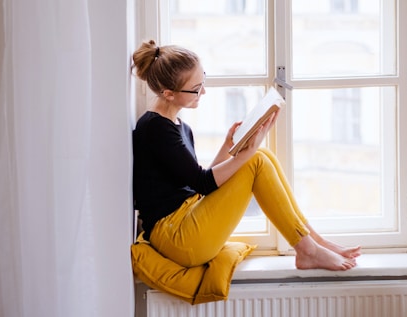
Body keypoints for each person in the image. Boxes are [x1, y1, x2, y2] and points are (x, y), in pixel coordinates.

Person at [131, 40, 360, 271]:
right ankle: (308, 250)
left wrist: (227, 145)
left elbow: (195, 184)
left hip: (184, 221)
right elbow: (203, 183)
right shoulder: (155, 128)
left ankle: (315, 242)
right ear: (169, 94)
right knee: (256, 160)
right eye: (196, 88)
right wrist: (245, 154)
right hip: (176, 238)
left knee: (263, 155)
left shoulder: (178, 125)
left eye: (203, 81)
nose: (204, 91)